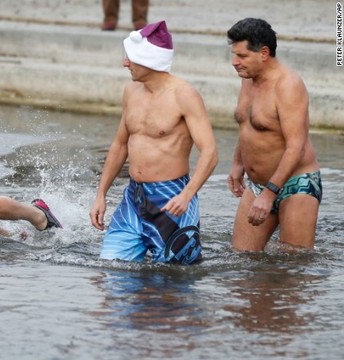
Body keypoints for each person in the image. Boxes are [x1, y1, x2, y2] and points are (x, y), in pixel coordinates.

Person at [89, 21, 218, 265]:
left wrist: (187, 195)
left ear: (150, 60)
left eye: (131, 58)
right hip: (134, 196)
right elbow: (119, 145)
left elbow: (210, 152)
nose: (125, 63)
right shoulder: (131, 92)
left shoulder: (184, 95)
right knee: (110, 272)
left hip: (171, 200)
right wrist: (101, 194)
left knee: (173, 285)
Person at [226, 18, 322, 251]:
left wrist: (269, 194)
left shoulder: (288, 85)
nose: (235, 62)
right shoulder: (247, 78)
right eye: (234, 55)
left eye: (242, 56)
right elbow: (247, 125)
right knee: (242, 262)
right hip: (258, 184)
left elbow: (295, 146)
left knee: (291, 270)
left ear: (264, 53)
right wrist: (238, 163)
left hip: (295, 186)